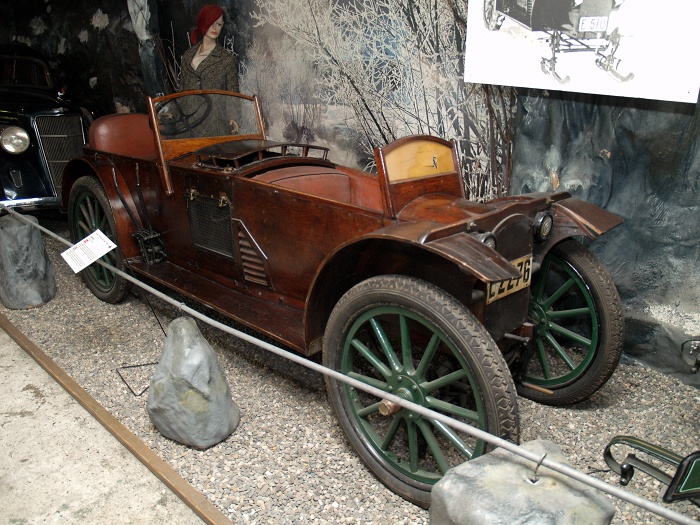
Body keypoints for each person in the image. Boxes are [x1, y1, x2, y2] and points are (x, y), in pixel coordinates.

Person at [180, 5, 239, 92]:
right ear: (202, 23)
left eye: (218, 24)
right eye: (211, 22)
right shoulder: (188, 55)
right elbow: (181, 93)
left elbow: (234, 97)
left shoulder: (227, 60)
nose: (214, 28)